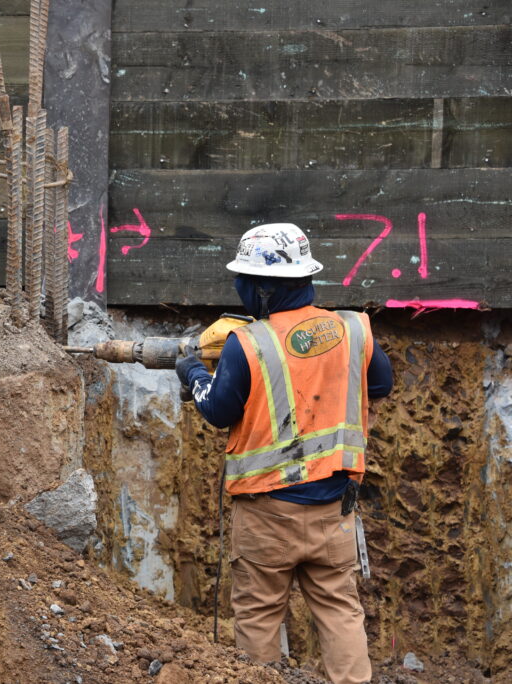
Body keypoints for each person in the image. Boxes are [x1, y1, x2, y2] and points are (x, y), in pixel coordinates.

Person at [176, 223, 393, 684]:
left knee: (257, 616)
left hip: (267, 514)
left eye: (244, 282)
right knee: (340, 610)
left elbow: (217, 409)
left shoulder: (249, 343)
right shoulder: (352, 328)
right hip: (335, 509)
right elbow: (380, 384)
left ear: (262, 288)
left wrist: (194, 371)